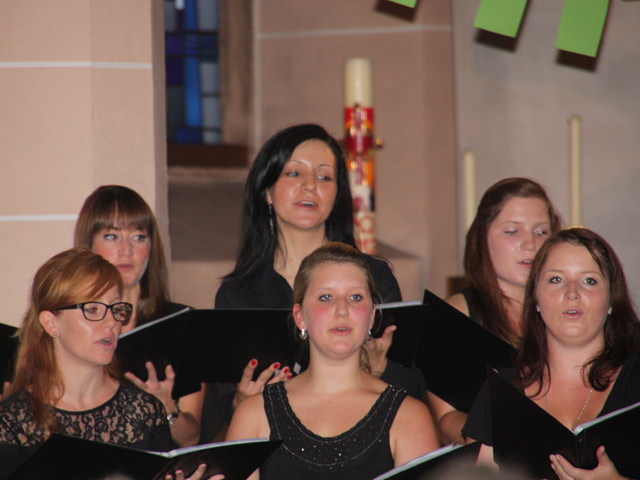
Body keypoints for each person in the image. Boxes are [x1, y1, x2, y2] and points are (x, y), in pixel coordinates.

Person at [215, 123, 424, 406]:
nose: (310, 185)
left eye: (324, 176)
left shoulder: (374, 276)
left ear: (336, 195)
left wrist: (379, 370)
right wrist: (242, 402)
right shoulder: (238, 294)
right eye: (294, 173)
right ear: (267, 191)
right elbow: (226, 406)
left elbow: (413, 388)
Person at [0, 248, 219, 480]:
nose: (111, 322)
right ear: (50, 323)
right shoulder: (12, 422)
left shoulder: (144, 411)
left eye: (116, 308)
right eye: (92, 309)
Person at [226, 243, 440, 479]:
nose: (342, 309)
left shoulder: (409, 416)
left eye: (356, 297)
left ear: (371, 316)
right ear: (300, 316)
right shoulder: (254, 414)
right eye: (326, 297)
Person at [462, 228, 640, 479]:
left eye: (589, 281)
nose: (572, 293)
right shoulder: (500, 393)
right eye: (556, 279)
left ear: (612, 298)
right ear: (535, 297)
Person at [427, 177, 562, 444]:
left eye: (541, 232)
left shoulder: (568, 307)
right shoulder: (453, 315)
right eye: (512, 231)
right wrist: (494, 442)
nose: (530, 244)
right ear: (482, 238)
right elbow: (446, 418)